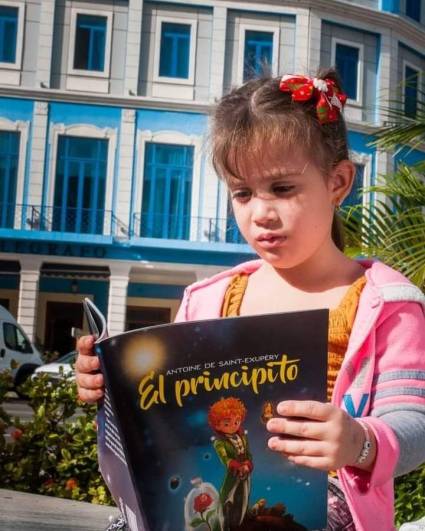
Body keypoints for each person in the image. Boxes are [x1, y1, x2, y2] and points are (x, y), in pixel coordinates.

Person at [76, 69, 425, 531]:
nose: (261, 213)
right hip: (216, 491)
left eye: (283, 188)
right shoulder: (210, 299)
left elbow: (415, 422)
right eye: (242, 193)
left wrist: (360, 441)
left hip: (327, 503)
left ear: (339, 182)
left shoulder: (386, 302)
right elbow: (169, 419)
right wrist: (109, 391)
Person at [208, 397, 253, 529]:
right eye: (227, 424)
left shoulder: (243, 437)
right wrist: (238, 466)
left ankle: (241, 521)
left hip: (245, 475)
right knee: (226, 500)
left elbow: (249, 454)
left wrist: (248, 465)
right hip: (232, 475)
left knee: (243, 497)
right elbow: (225, 459)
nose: (233, 426)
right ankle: (221, 526)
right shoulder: (219, 442)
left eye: (236, 421)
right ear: (217, 425)